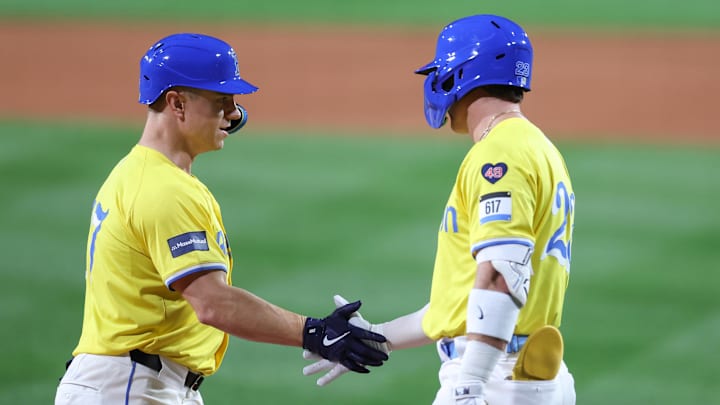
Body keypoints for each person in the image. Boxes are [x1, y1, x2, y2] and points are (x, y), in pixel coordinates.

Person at [54, 32, 388, 405]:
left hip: (143, 382)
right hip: (130, 386)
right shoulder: (163, 189)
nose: (233, 114)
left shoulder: (146, 174)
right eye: (220, 101)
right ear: (177, 103)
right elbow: (213, 303)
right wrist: (316, 333)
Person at [303, 14, 577, 404]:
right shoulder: (538, 147)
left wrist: (471, 383)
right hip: (517, 371)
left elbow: (502, 275)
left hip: (496, 377)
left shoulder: (500, 154)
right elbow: (465, 303)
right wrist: (380, 336)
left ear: (462, 74)